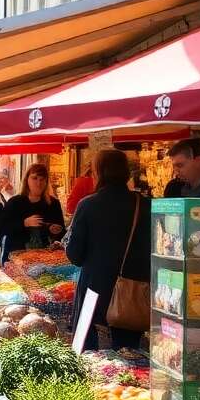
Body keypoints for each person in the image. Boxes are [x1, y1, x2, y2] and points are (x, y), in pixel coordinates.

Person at [67, 149, 151, 349]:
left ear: (98, 172)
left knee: (89, 354)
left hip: (93, 293)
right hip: (132, 292)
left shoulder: (88, 205)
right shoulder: (144, 204)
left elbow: (75, 255)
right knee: (128, 355)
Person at [0, 163, 66, 262]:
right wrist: (24, 223)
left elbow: (62, 233)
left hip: (46, 259)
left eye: (42, 179)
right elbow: (2, 228)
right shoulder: (15, 203)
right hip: (18, 259)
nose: (38, 183)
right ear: (27, 180)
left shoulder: (53, 204)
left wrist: (55, 230)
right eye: (34, 178)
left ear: (46, 182)